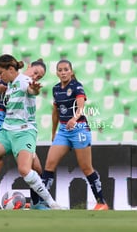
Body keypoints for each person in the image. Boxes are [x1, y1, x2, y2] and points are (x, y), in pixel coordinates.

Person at [0, 54, 61, 210]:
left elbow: (31, 90)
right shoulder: (10, 83)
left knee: (26, 169)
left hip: (23, 133)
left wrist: (34, 90)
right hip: (6, 131)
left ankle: (50, 203)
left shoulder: (24, 82)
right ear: (28, 67)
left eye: (0, 72)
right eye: (35, 72)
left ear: (10, 69)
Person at [40, 59, 108, 210]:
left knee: (86, 168)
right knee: (49, 164)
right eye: (60, 70)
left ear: (71, 71)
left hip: (80, 129)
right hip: (63, 131)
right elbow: (55, 113)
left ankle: (101, 202)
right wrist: (53, 132)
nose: (63, 72)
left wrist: (74, 118)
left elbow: (81, 106)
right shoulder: (56, 89)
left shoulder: (77, 86)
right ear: (57, 73)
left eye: (66, 69)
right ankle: (42, 202)